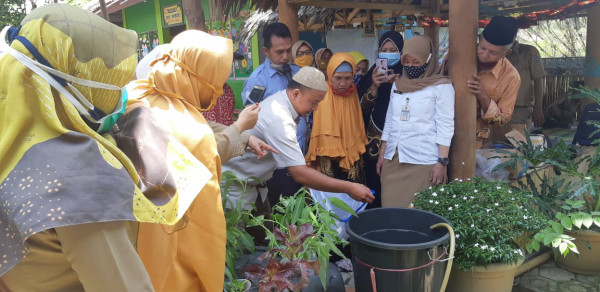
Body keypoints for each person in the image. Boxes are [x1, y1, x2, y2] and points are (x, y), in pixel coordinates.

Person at [0, 4, 170, 291]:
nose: (120, 93)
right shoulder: (82, 179)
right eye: (109, 81)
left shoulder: (12, 142)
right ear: (74, 82)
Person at [121, 30, 275, 292]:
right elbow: (201, 144)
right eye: (213, 82)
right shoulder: (177, 121)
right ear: (197, 76)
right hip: (171, 234)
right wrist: (238, 127)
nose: (216, 92)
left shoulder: (144, 95)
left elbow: (201, 123)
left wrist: (243, 135)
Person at [222, 67, 374, 240]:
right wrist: (349, 188)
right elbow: (299, 174)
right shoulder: (279, 117)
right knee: (237, 244)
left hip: (254, 186)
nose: (316, 108)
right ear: (296, 93)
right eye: (314, 102)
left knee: (265, 242)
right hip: (234, 187)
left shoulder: (283, 102)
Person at [376, 35, 455, 208]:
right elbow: (390, 120)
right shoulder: (398, 84)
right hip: (394, 160)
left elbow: (446, 126)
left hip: (424, 161)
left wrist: (441, 162)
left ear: (427, 59)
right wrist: (382, 154)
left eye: (416, 62)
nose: (410, 66)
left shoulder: (441, 86)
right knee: (390, 212)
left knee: (418, 216)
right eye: (406, 61)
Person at [242, 23, 308, 205]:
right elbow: (249, 120)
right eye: (280, 52)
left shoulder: (298, 73)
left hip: (302, 154)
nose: (286, 56)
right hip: (276, 164)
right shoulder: (258, 81)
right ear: (266, 50)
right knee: (284, 219)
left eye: (288, 50)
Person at [356, 31, 404, 208]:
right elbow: (360, 109)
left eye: (393, 49)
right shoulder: (372, 74)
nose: (388, 53)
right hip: (373, 142)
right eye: (384, 49)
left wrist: (400, 85)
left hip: (401, 141)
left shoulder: (408, 73)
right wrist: (375, 87)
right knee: (374, 184)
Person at [306, 52, 368, 183]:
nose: (343, 83)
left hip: (351, 154)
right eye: (338, 78)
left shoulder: (353, 92)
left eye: (348, 78)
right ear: (330, 75)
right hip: (327, 156)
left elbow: (356, 123)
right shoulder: (321, 93)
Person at [466, 16, 521, 148]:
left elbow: (502, 119)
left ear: (506, 52)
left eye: (493, 52)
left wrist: (483, 96)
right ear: (479, 39)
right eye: (482, 48)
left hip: (475, 141)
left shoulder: (511, 77)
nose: (484, 55)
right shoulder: (459, 55)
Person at [506, 41, 546, 133]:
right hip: (493, 110)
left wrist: (538, 108)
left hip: (520, 111)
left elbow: (538, 79)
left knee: (518, 143)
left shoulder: (529, 51)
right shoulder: (490, 51)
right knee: (493, 144)